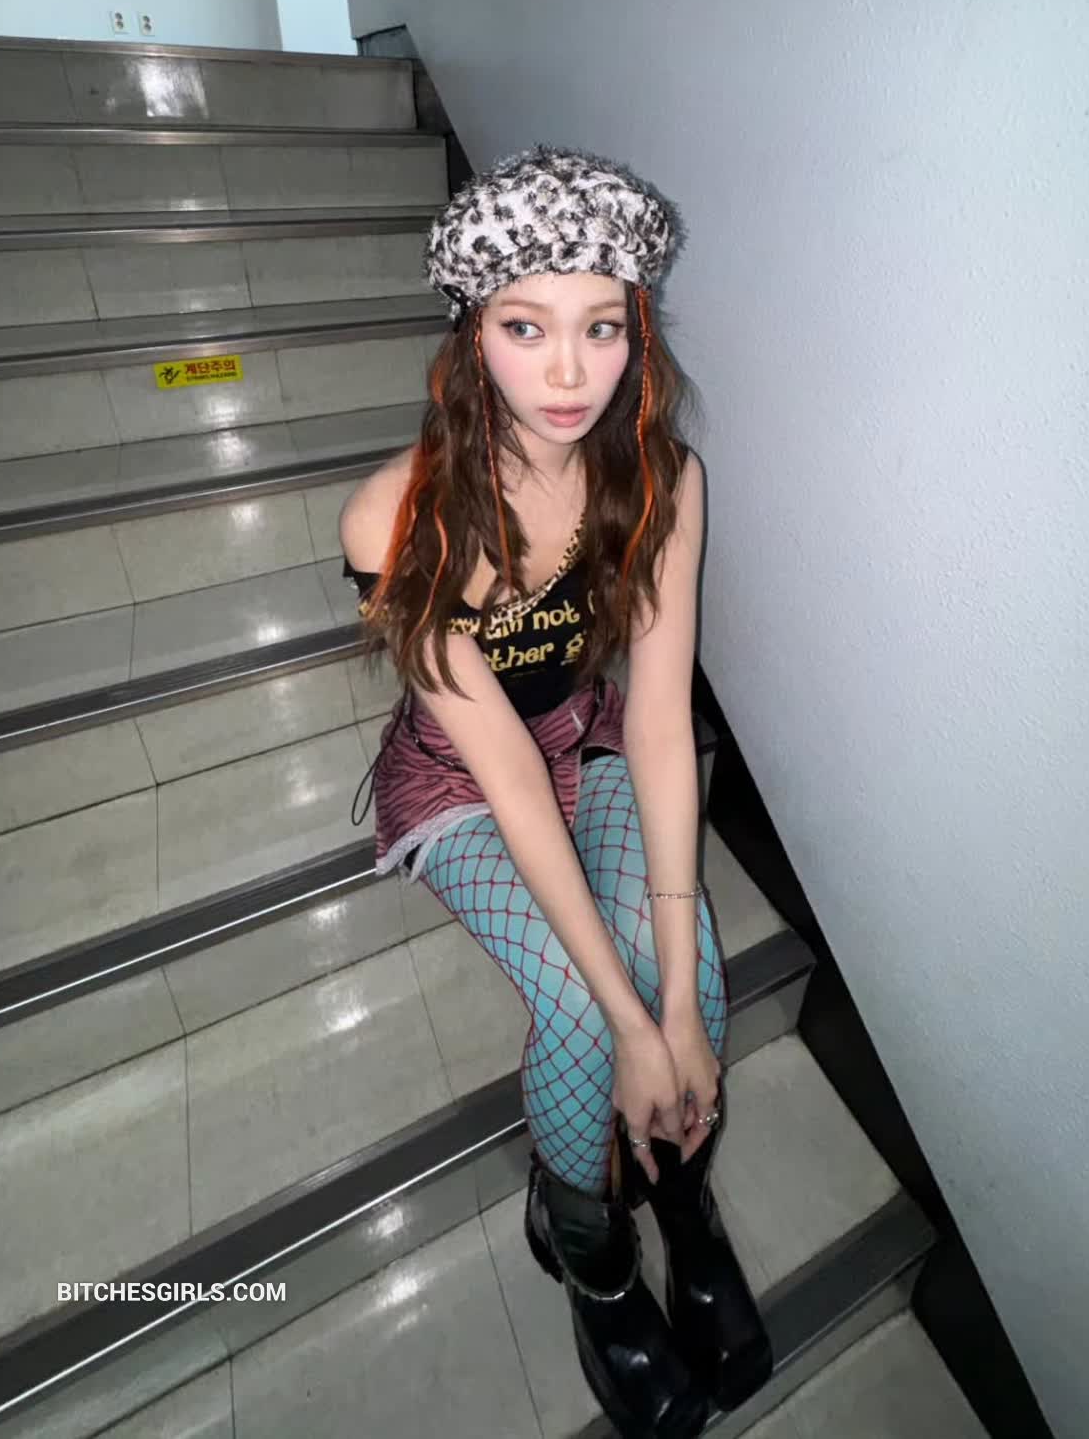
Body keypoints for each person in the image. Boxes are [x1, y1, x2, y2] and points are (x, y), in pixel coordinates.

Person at [338, 144, 771, 1439]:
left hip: (589, 739)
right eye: (526, 328)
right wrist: (635, 1024)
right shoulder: (396, 518)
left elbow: (658, 720)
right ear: (470, 337)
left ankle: (680, 1199)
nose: (571, 373)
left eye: (602, 327)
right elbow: (508, 775)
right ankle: (594, 1263)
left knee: (687, 966)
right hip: (464, 783)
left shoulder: (666, 479)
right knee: (587, 1018)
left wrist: (678, 1007)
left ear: (636, 328)